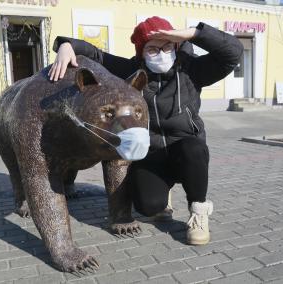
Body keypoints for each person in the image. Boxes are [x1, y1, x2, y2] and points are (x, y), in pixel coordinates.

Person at [49, 16, 243, 245]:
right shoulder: (132, 71)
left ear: (175, 45)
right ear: (141, 52)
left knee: (195, 149)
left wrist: (193, 33)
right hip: (151, 153)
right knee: (148, 206)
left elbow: (233, 53)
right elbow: (97, 55)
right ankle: (163, 196)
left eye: (167, 46)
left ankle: (199, 213)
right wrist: (65, 45)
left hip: (185, 148)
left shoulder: (192, 70)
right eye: (152, 49)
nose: (161, 53)